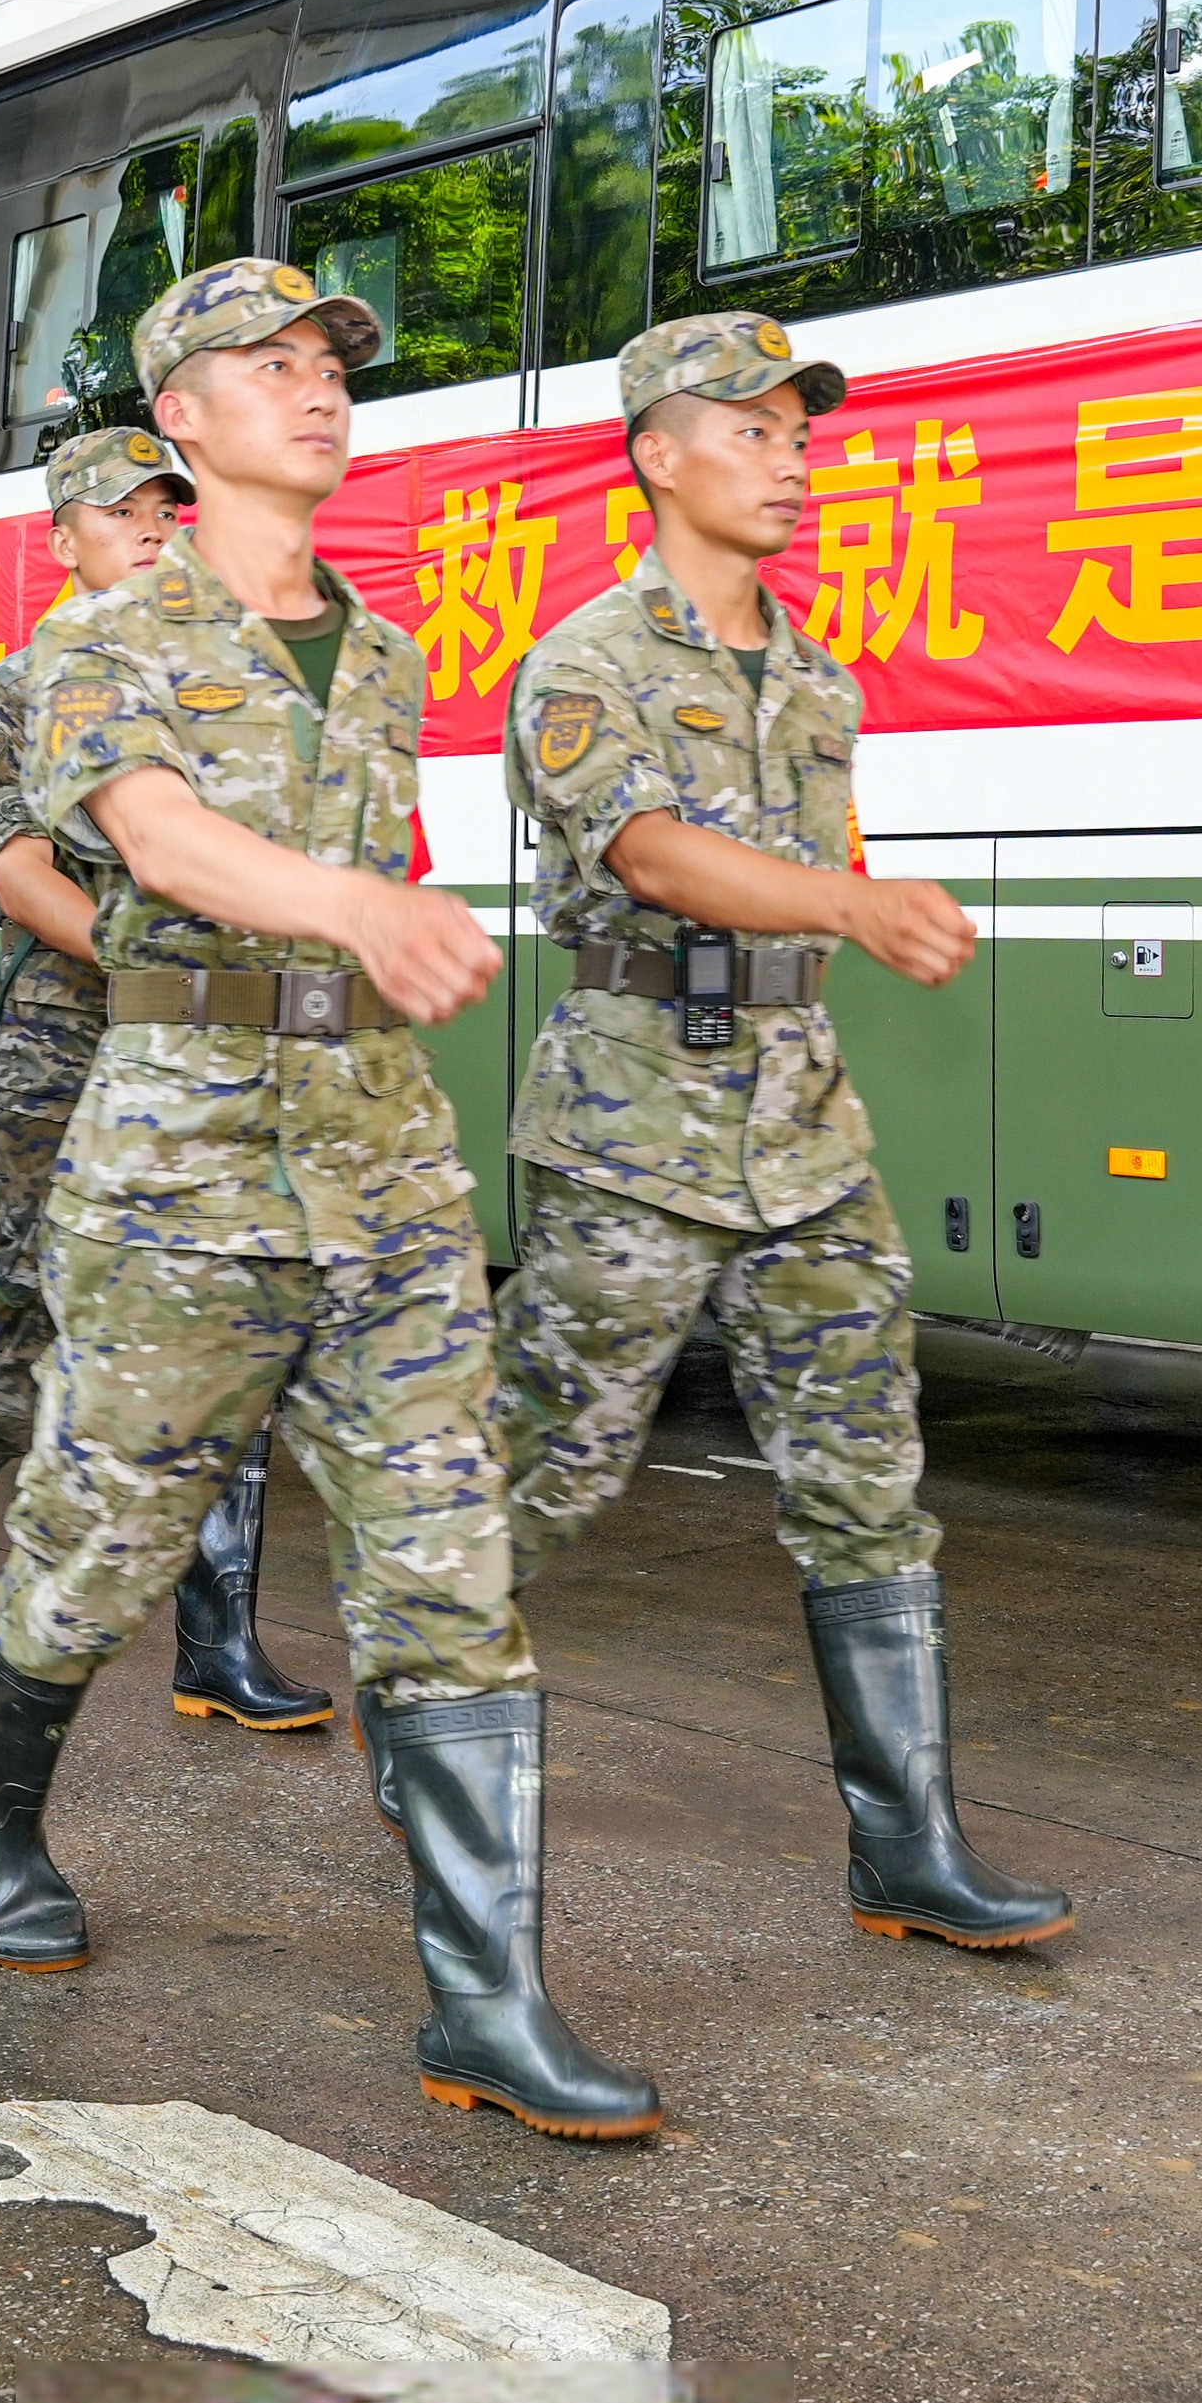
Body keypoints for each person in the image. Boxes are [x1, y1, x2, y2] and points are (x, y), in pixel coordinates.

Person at [0, 261, 654, 2142]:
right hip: (183, 1160)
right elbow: (160, 839)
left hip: (384, 1161)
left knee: (450, 1569)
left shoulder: (386, 642)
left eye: (329, 363)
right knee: (96, 1552)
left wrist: (373, 940)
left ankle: (487, 2003)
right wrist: (353, 907)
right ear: (179, 419)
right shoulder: (105, 639)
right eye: (266, 368)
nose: (317, 391)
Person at [494, 313, 1070, 1954]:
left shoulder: (817, 677)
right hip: (632, 1125)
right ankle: (434, 1725)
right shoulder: (588, 661)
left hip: (801, 1124)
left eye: (798, 434)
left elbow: (815, 879)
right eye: (749, 430)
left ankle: (910, 1847)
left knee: (868, 1474)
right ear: (656, 453)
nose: (790, 458)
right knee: (549, 1465)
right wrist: (855, 903)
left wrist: (846, 915)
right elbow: (659, 858)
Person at [0, 428, 321, 1729]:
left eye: (165, 507)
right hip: (68, 1041)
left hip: (208, 1050)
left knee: (226, 1330)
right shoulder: (14, 691)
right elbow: (16, 870)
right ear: (61, 536)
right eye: (117, 511)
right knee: (12, 1338)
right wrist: (143, 945)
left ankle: (217, 1641)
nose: (149, 526)